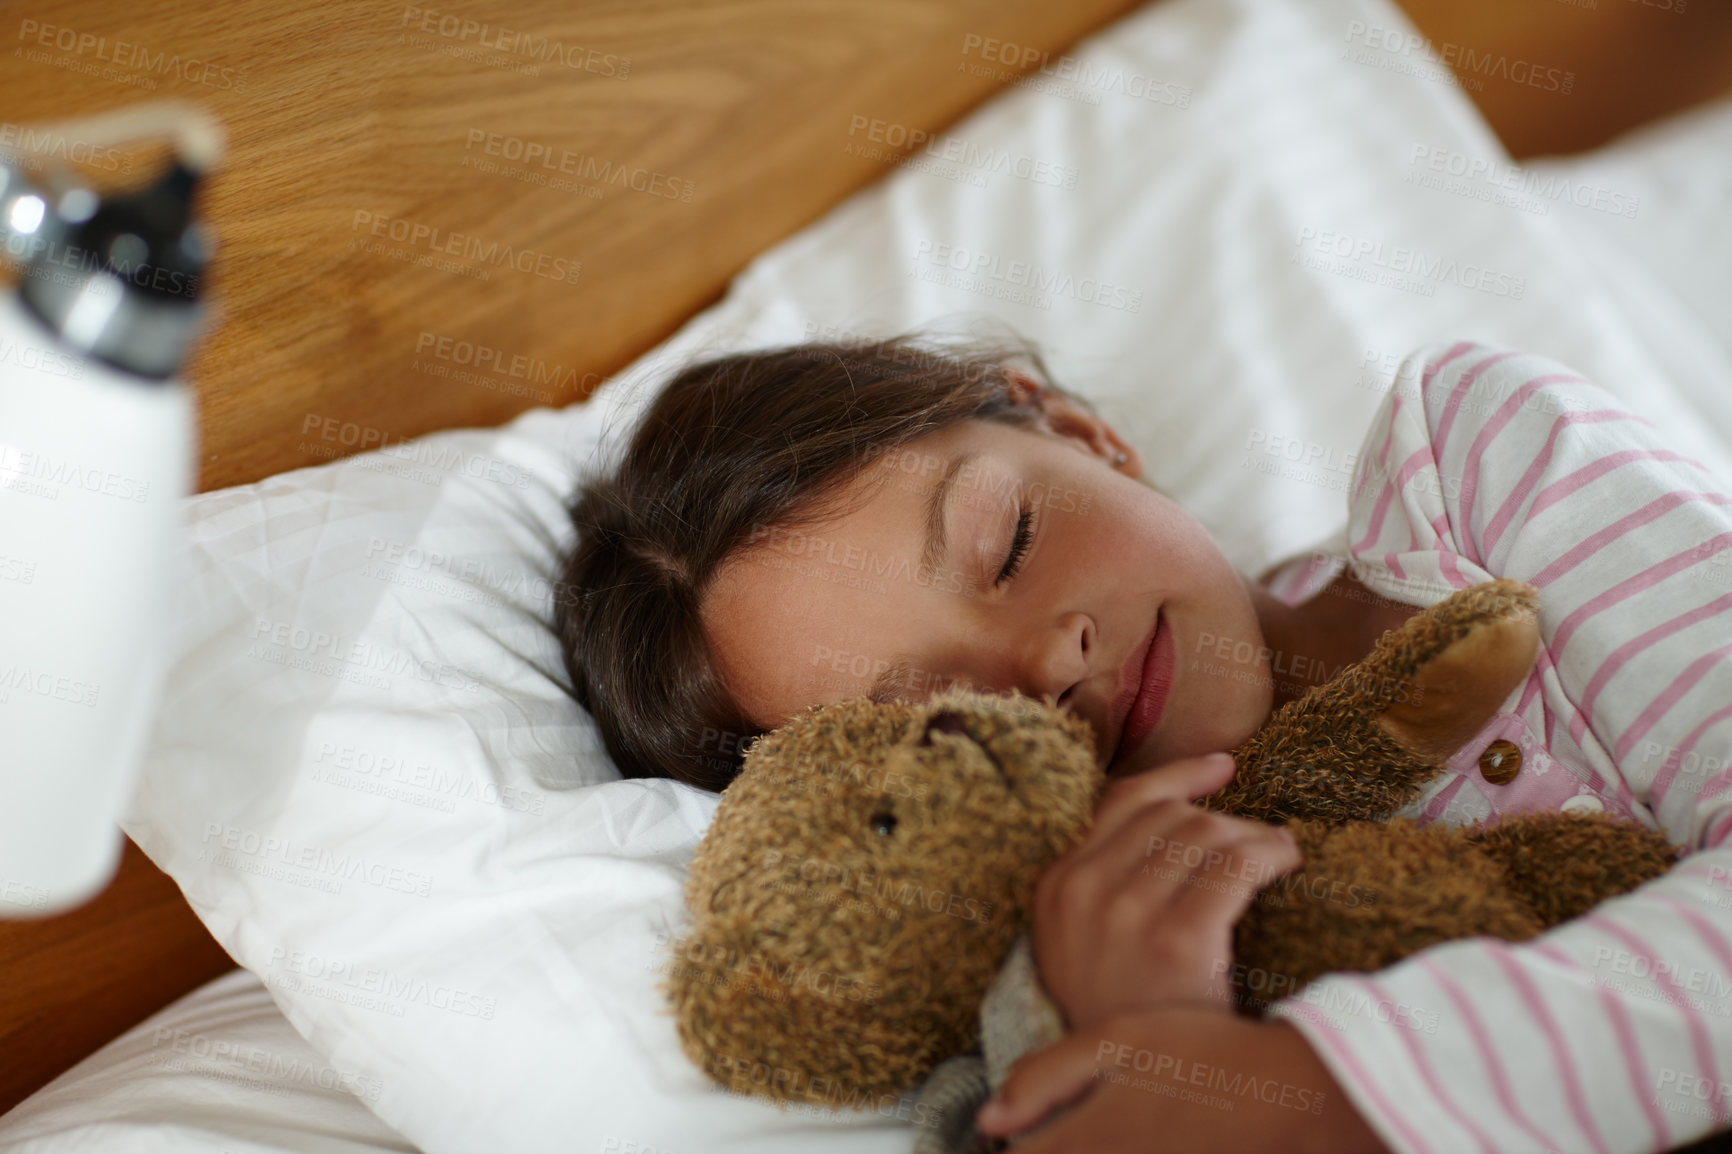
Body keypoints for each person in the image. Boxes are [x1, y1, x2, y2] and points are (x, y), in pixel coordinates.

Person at [556, 333, 1732, 1152]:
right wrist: (1160, 1036)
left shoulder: (1471, 471)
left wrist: (1323, 1097)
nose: (1052, 660)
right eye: (951, 712)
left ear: (1079, 431)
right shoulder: (1076, 973)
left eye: (1010, 542)